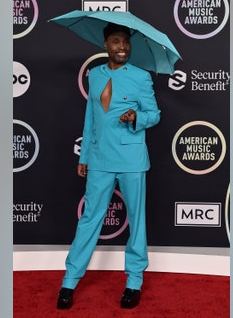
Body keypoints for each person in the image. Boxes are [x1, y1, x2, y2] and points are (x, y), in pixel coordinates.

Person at [57, 22, 161, 310]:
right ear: (106, 45)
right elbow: (91, 117)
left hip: (131, 159)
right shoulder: (95, 75)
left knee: (136, 220)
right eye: (116, 42)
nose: (122, 47)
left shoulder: (141, 77)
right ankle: (69, 280)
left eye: (126, 42)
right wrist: (85, 157)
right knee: (89, 218)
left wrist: (136, 117)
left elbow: (154, 114)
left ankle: (134, 281)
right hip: (100, 159)